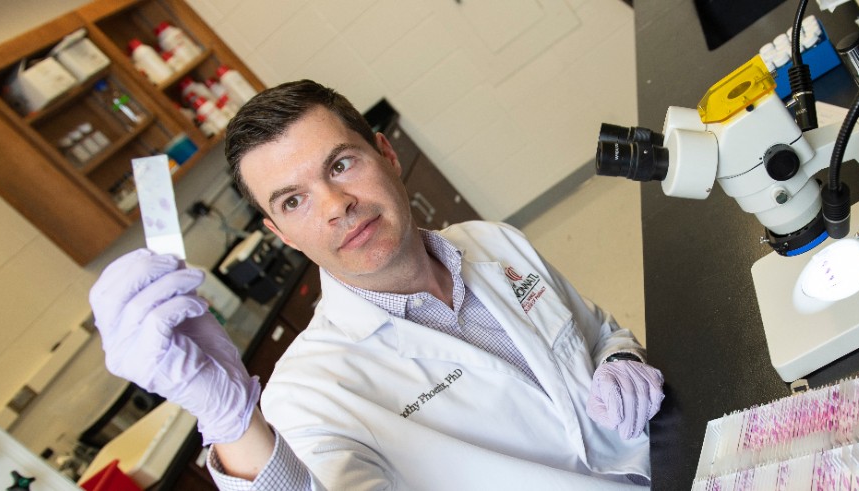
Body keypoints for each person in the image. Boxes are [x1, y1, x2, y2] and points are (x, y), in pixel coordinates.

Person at [88, 79, 665, 489]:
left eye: (340, 165)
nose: (337, 206)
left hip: (677, 458)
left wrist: (620, 358)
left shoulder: (492, 242)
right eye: (295, 200)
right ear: (281, 232)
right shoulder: (308, 392)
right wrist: (233, 424)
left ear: (385, 153)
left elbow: (598, 333)